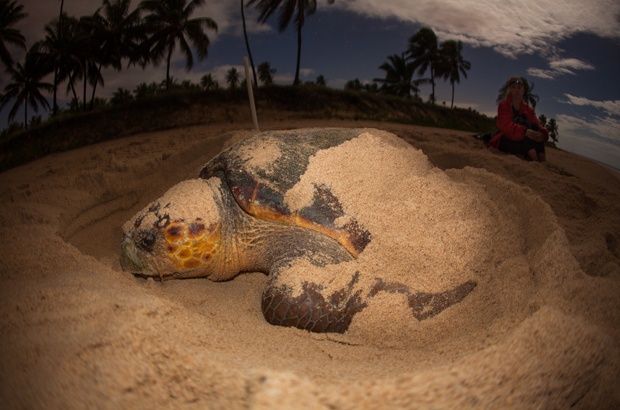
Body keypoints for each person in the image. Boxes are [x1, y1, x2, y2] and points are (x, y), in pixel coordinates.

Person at [486, 76, 549, 162]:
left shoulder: (528, 109)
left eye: (519, 87)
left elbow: (537, 124)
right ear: (510, 90)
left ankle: (542, 160)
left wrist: (542, 134)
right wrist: (524, 131)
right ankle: (535, 160)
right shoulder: (504, 105)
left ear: (523, 91)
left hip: (522, 141)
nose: (517, 90)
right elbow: (505, 126)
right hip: (506, 139)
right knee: (523, 123)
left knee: (535, 127)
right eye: (513, 87)